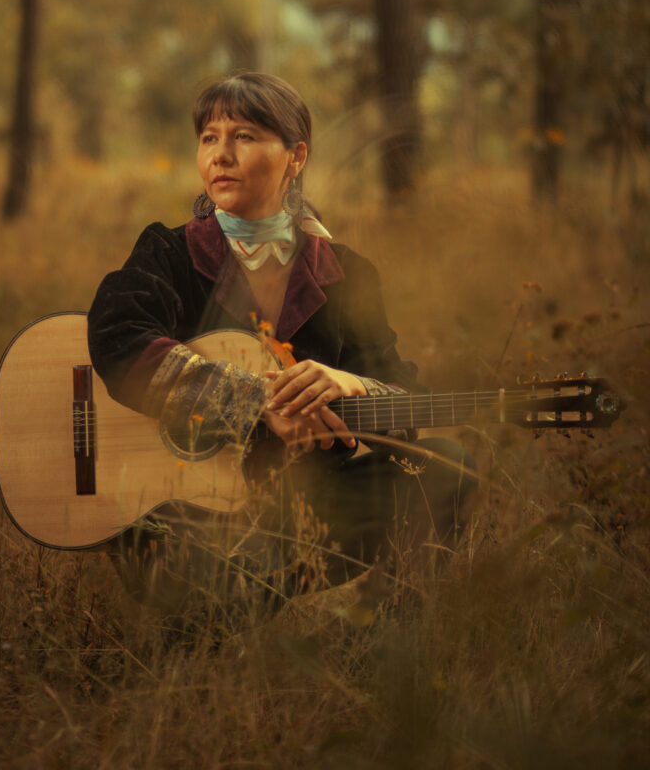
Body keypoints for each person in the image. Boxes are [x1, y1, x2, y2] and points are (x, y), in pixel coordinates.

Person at [87, 72, 476, 623]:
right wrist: (256, 404)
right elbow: (121, 341)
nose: (220, 155)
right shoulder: (169, 253)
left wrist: (353, 383)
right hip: (180, 513)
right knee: (198, 608)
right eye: (208, 137)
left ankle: (386, 648)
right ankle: (223, 601)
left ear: (295, 156)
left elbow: (404, 399)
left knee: (449, 467)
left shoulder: (347, 275)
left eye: (243, 136)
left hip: (304, 510)